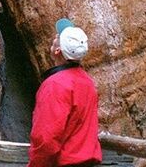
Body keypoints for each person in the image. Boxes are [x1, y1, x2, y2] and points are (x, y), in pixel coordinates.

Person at [27, 18, 103, 167]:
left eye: (57, 37)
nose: (55, 37)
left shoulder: (55, 85)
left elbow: (46, 137)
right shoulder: (87, 82)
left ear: (57, 50)